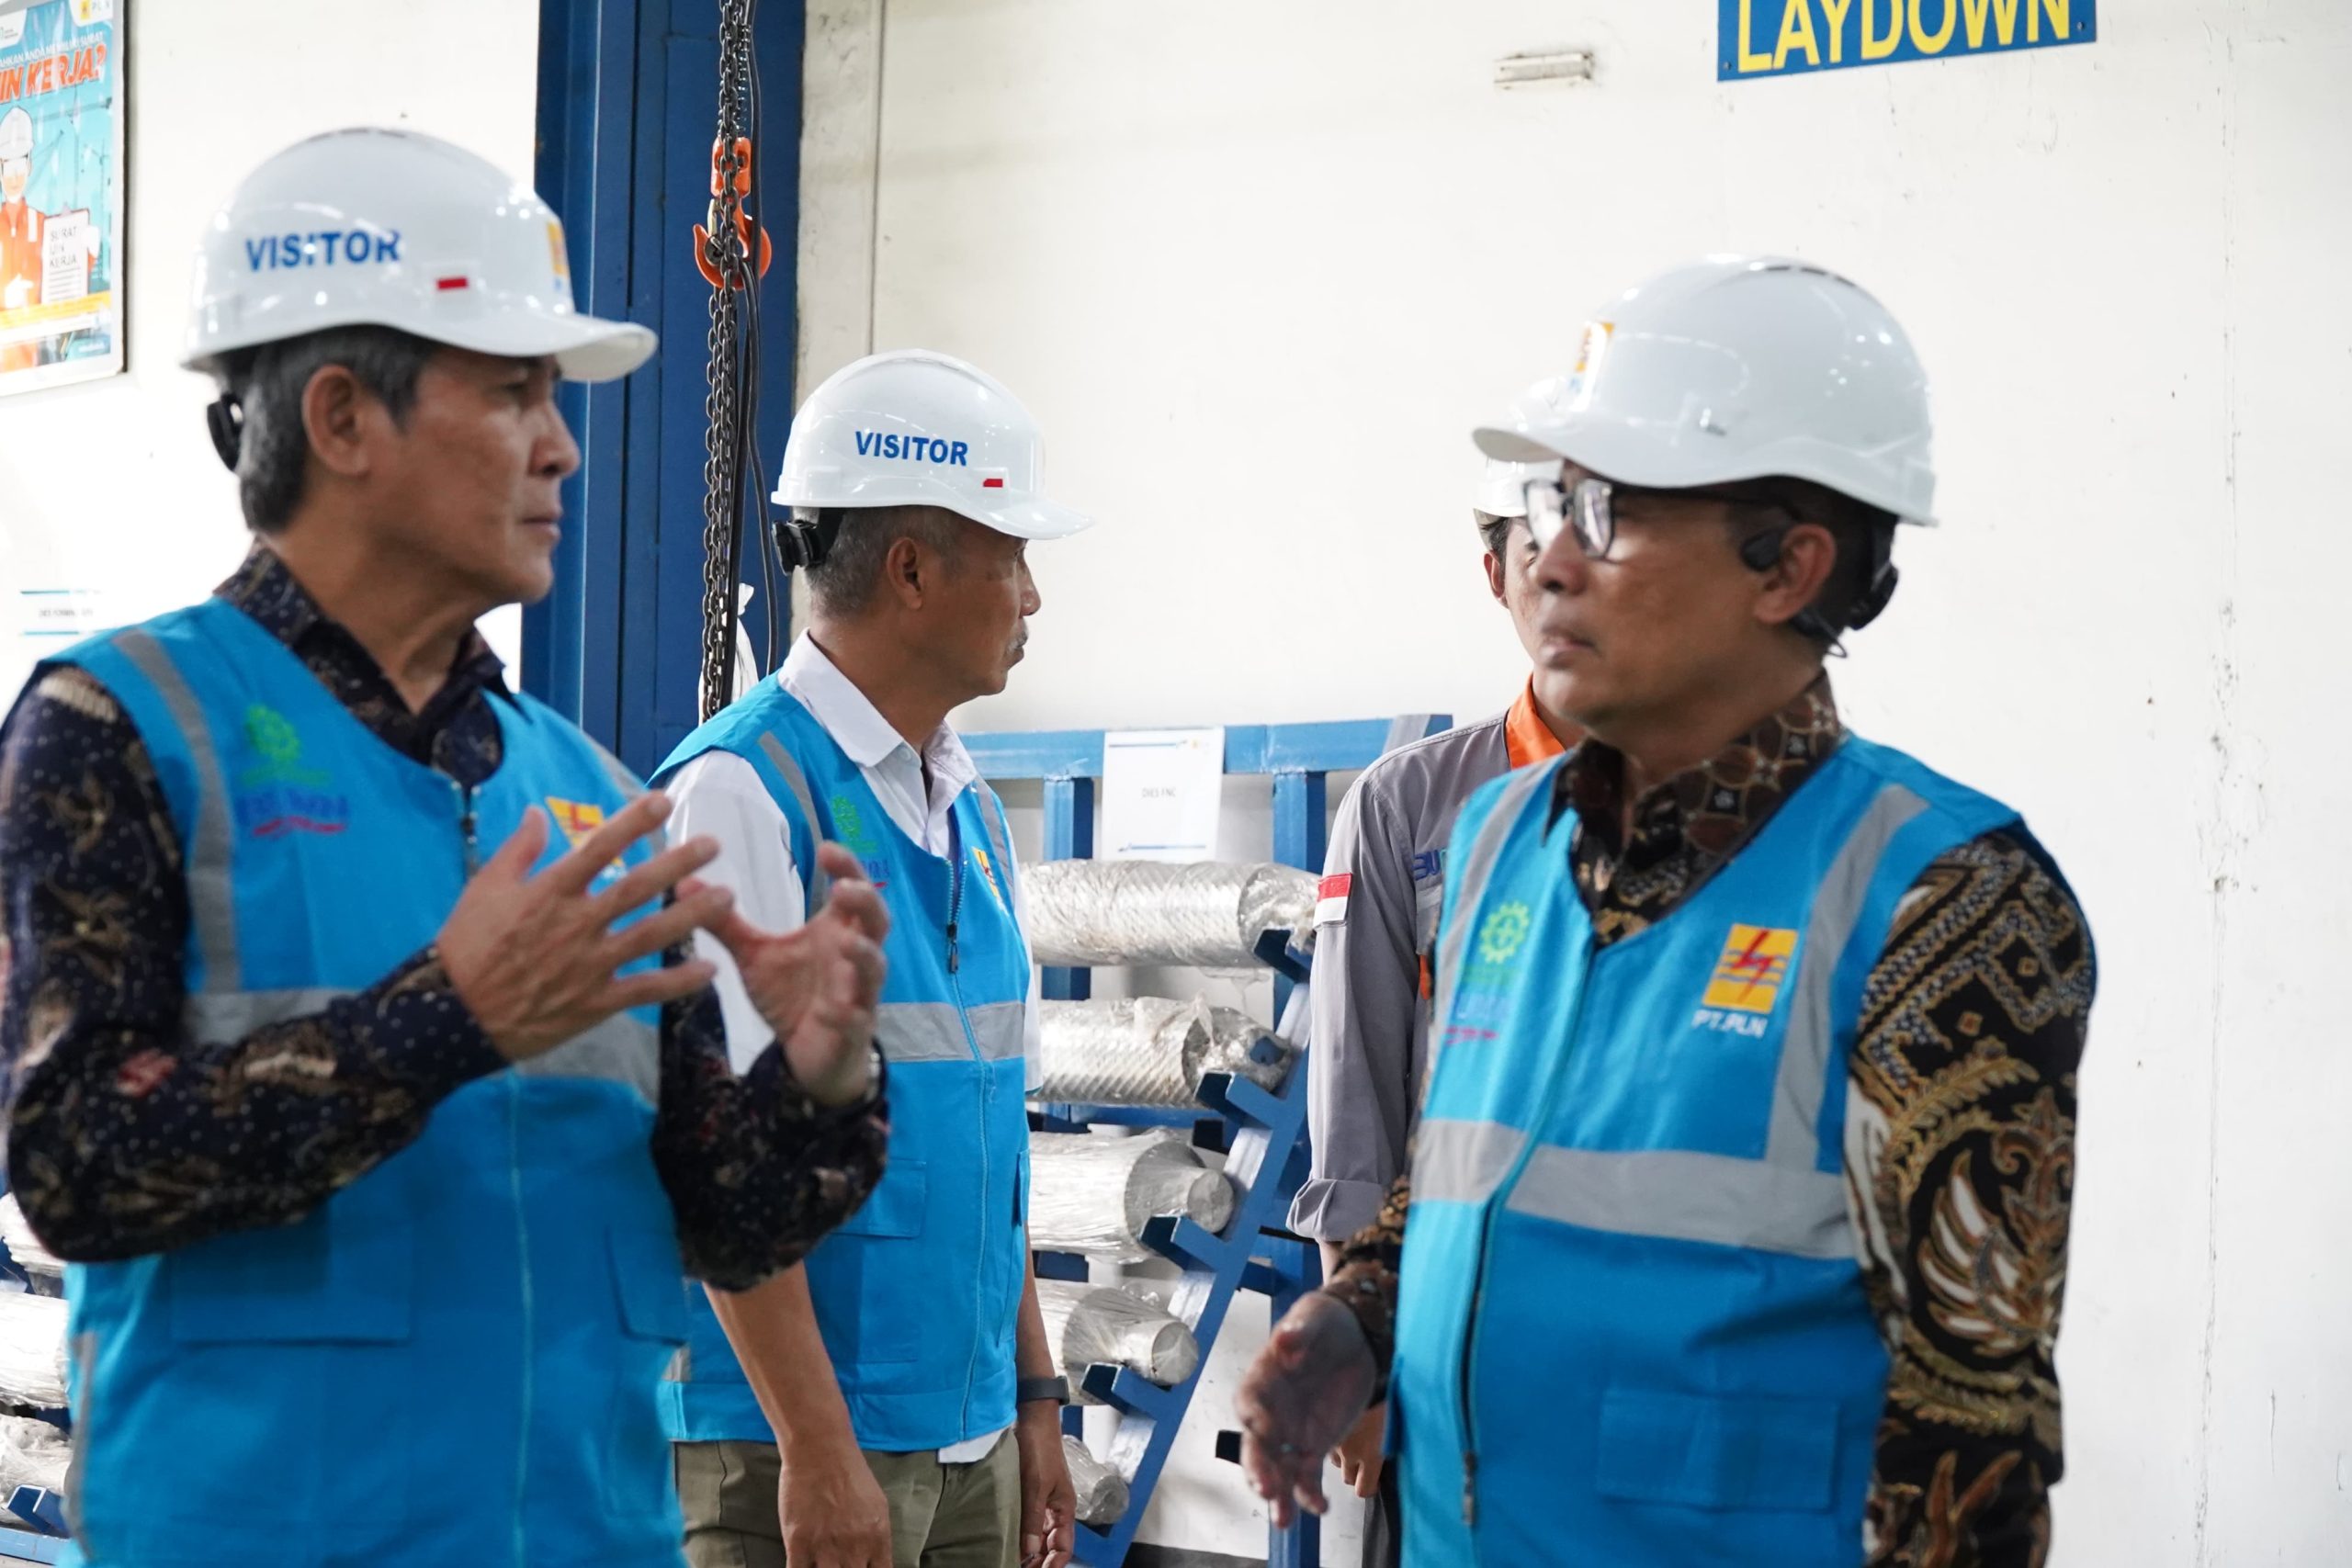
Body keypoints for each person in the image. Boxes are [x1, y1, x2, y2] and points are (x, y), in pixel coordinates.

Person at [0, 128, 896, 1568]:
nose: (563, 444)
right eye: (513, 391)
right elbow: (76, 1164)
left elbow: (726, 1227)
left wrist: (817, 1076)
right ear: (344, 417)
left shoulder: (593, 796)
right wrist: (448, 1015)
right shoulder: (124, 729)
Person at [1238, 256, 2097, 1567]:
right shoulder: (1495, 838)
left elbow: (1967, 1447)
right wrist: (1354, 1316)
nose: (1546, 563)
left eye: (1610, 513)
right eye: (1551, 505)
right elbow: (1465, 1180)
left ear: (1788, 567)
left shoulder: (1944, 902)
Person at [658, 349, 1085, 1568]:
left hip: (966, 1436)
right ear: (910, 568)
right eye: (1013, 557)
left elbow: (988, 1138)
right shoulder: (743, 790)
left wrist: (1033, 1398)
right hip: (795, 1453)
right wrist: (815, 1445)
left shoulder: (971, 811)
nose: (1033, 597)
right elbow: (716, 1165)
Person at [1284, 414, 1577, 1562]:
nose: (1569, 579)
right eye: (1538, 548)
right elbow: (1354, 1094)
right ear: (1493, 572)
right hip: (1442, 1347)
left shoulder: (1728, 814)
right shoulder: (1408, 807)